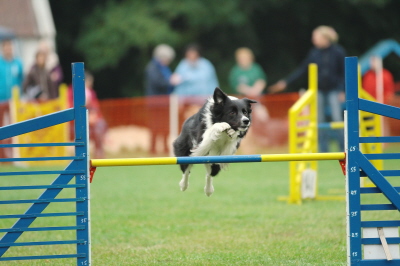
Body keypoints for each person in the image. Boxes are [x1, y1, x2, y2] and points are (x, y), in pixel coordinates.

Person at [269, 25, 346, 152]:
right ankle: (323, 150)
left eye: (315, 37)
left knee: (337, 118)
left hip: (334, 90)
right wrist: (285, 82)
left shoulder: (338, 52)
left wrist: (343, 90)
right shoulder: (314, 53)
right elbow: (302, 70)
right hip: (318, 91)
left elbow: (344, 73)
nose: (313, 40)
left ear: (325, 38)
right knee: (319, 120)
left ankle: (344, 148)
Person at [144, 44, 175, 154]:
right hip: (155, 103)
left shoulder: (163, 68)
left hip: (164, 103)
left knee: (164, 126)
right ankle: (153, 149)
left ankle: (164, 148)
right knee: (155, 127)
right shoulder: (152, 67)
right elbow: (158, 83)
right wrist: (170, 82)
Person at [85, 71, 108, 158]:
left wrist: (96, 117)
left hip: (94, 120)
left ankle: (99, 151)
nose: (91, 84)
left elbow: (96, 108)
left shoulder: (92, 93)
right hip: (83, 120)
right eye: (89, 81)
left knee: (100, 126)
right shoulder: (74, 91)